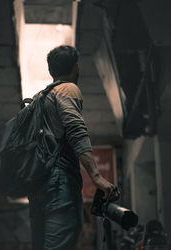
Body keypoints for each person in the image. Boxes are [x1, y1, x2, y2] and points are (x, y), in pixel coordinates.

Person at [28, 45, 120, 250]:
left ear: (51, 70)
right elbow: (75, 129)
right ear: (75, 66)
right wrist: (96, 176)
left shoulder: (38, 99)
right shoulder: (67, 88)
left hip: (37, 185)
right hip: (58, 182)